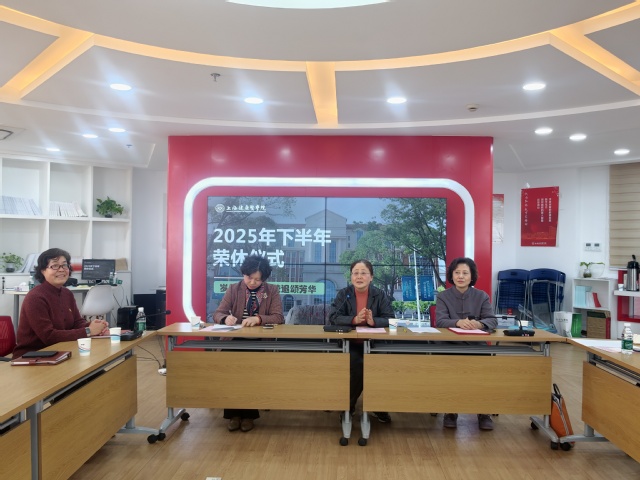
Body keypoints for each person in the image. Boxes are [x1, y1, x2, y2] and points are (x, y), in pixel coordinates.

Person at [213, 254, 284, 433]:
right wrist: (225, 318)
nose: (252, 282)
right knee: (231, 373)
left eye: (257, 279)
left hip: (260, 342)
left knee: (250, 374)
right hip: (234, 340)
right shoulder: (233, 289)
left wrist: (258, 319)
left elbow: (278, 317)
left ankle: (248, 416)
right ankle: (233, 415)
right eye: (249, 277)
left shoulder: (272, 290)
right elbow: (218, 313)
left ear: (264, 279)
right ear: (243, 274)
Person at [435, 256, 498, 431]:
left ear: (472, 276)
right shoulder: (443, 296)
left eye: (465, 273)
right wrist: (458, 322)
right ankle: (450, 411)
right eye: (457, 273)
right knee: (449, 375)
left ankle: (483, 412)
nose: (461, 276)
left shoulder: (481, 296)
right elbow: (440, 321)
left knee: (482, 375)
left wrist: (479, 324)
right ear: (451, 275)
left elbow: (492, 320)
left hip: (476, 345)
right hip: (449, 345)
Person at [13, 248, 109, 359]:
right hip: (33, 356)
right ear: (43, 271)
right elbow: (48, 336)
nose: (61, 269)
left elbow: (77, 323)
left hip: (61, 351)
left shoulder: (67, 293)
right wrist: (88, 331)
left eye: (64, 265)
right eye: (54, 266)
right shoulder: (35, 297)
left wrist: (94, 326)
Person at [329, 259, 394, 423]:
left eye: (363, 273)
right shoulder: (344, 294)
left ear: (371, 277)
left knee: (382, 366)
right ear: (351, 276)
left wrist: (373, 321)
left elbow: (390, 319)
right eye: (355, 273)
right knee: (358, 365)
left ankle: (377, 406)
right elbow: (333, 317)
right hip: (349, 344)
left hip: (374, 343)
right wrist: (354, 319)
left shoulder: (380, 294)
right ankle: (348, 407)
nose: (359, 277)